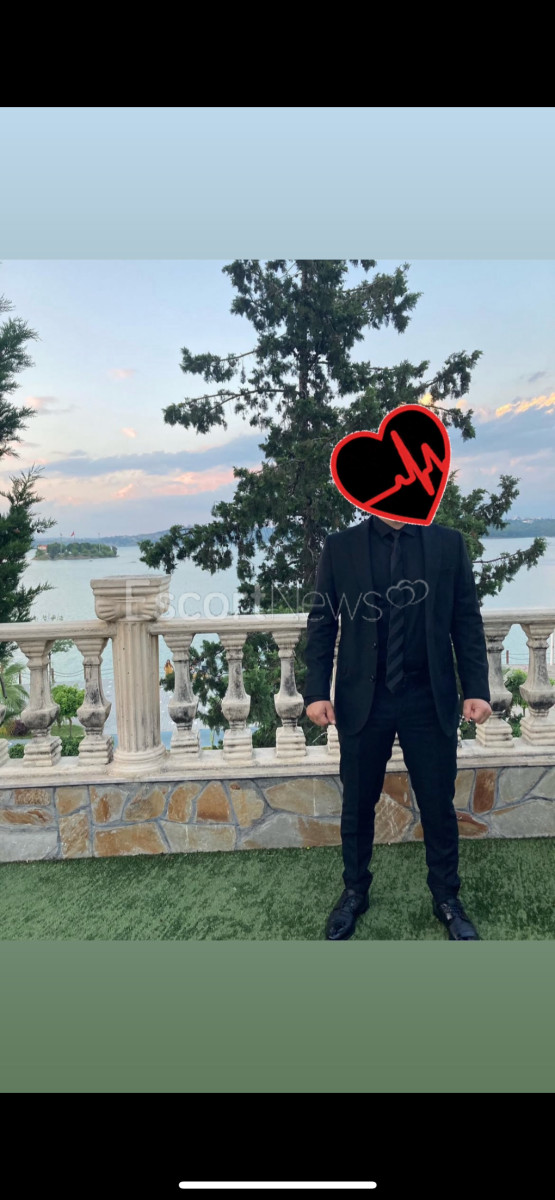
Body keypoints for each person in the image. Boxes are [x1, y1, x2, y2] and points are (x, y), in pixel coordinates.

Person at [303, 512, 492, 941]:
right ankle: (354, 891)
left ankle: (446, 897)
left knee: (438, 804)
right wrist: (316, 691)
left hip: (428, 695)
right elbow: (322, 622)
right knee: (357, 803)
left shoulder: (448, 544)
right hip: (363, 698)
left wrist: (477, 688)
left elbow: (466, 619)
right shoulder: (341, 547)